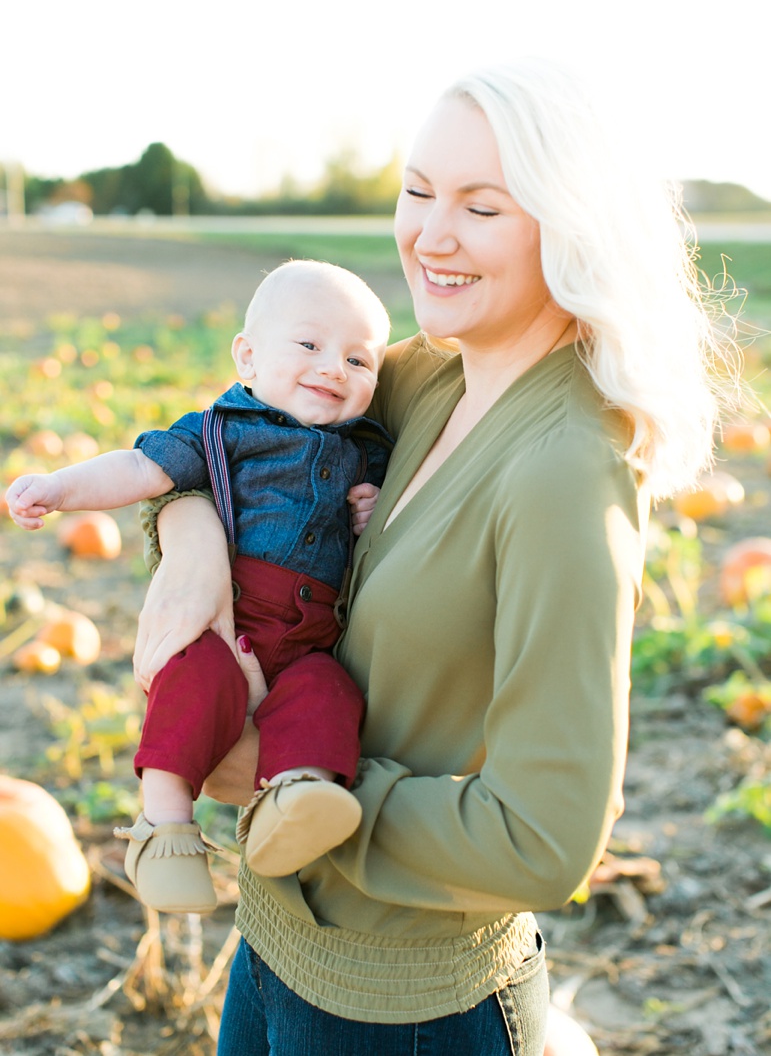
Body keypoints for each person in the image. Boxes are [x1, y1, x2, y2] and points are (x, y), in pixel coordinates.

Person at [132, 59, 731, 1055]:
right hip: (273, 946)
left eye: (482, 206)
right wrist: (189, 541)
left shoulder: (564, 472)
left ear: (570, 224)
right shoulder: (424, 375)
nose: (429, 235)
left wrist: (293, 781)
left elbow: (547, 837)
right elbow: (234, 437)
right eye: (417, 192)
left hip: (407, 1012)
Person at [6, 259, 392, 916]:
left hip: (309, 644)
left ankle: (295, 797)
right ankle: (165, 825)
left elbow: (383, 520)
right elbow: (139, 466)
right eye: (308, 344)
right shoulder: (221, 430)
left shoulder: (365, 447)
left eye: (359, 361)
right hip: (227, 618)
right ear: (247, 356)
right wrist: (59, 488)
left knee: (327, 695)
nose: (333, 367)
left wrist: (369, 507)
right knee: (195, 679)